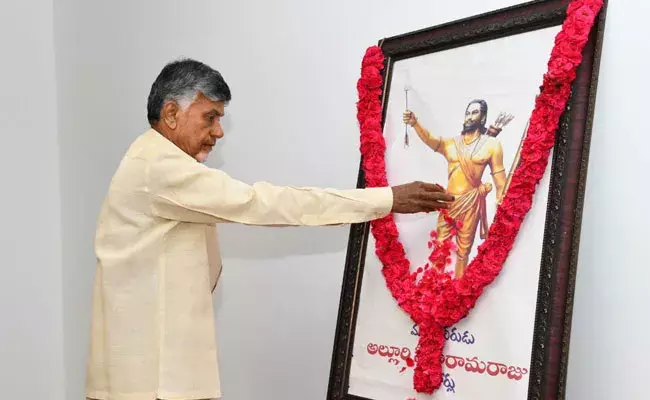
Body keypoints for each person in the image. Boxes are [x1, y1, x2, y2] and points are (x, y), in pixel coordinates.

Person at [85, 58, 454, 400]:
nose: (218, 132)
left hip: (154, 373)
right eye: (210, 118)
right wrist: (386, 199)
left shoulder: (154, 160)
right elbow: (264, 203)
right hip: (152, 381)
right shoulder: (160, 167)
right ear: (170, 114)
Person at [402, 100, 511, 278]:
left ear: (483, 117)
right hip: (449, 203)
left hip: (471, 203)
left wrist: (502, 202)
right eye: (467, 113)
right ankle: (434, 285)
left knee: (463, 251)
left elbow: (500, 180)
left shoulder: (492, 145)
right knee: (439, 246)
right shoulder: (452, 144)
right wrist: (415, 123)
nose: (469, 117)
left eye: (474, 113)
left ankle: (459, 286)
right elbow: (430, 140)